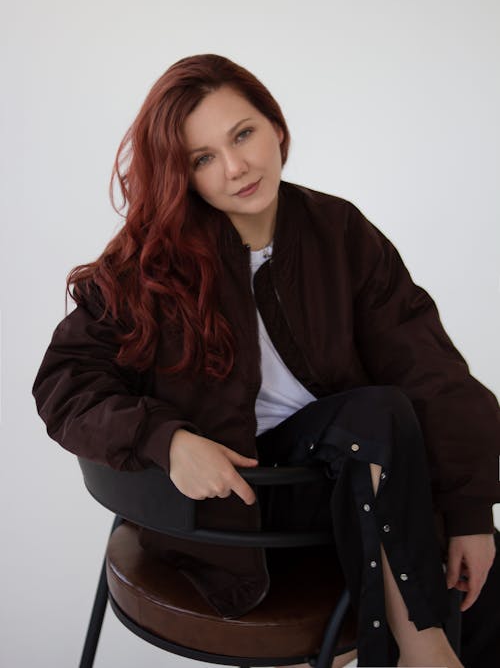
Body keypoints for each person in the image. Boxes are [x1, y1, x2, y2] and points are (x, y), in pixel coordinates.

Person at [32, 54, 500, 668]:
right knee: (376, 422)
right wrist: (166, 441)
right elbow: (66, 385)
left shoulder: (339, 232)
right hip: (226, 505)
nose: (236, 168)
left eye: (243, 134)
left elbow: (429, 369)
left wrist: (471, 512)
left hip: (342, 483)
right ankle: (425, 654)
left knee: (482, 577)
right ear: (183, 175)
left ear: (275, 126)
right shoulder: (144, 265)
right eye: (202, 158)